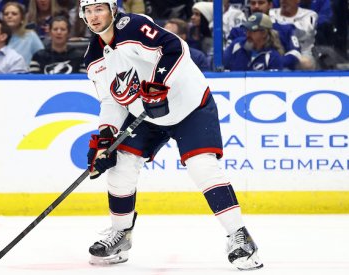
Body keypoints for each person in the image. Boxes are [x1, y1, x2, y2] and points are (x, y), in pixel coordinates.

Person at [79, 0, 263, 271]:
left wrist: (158, 84)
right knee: (120, 166)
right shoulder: (93, 59)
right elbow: (112, 100)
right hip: (147, 114)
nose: (94, 16)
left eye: (99, 9)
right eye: (88, 11)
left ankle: (240, 237)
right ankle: (121, 236)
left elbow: (176, 48)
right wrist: (106, 137)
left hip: (190, 105)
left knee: (203, 167)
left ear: (113, 9)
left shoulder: (133, 26)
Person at [226, 0, 302, 70]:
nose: (256, 6)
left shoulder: (285, 29)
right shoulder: (237, 30)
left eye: (261, 3)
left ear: (270, 5)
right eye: (253, 3)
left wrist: (274, 62)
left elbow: (296, 53)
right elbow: (225, 57)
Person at [269, 0, 318, 69]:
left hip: (303, 52)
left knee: (306, 63)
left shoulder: (310, 15)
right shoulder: (271, 13)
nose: (283, 1)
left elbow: (303, 34)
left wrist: (281, 28)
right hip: (278, 51)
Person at [2, 1, 44, 67]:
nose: (9, 16)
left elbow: (43, 57)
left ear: (22, 19)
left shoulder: (30, 36)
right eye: (6, 14)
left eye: (14, 14)